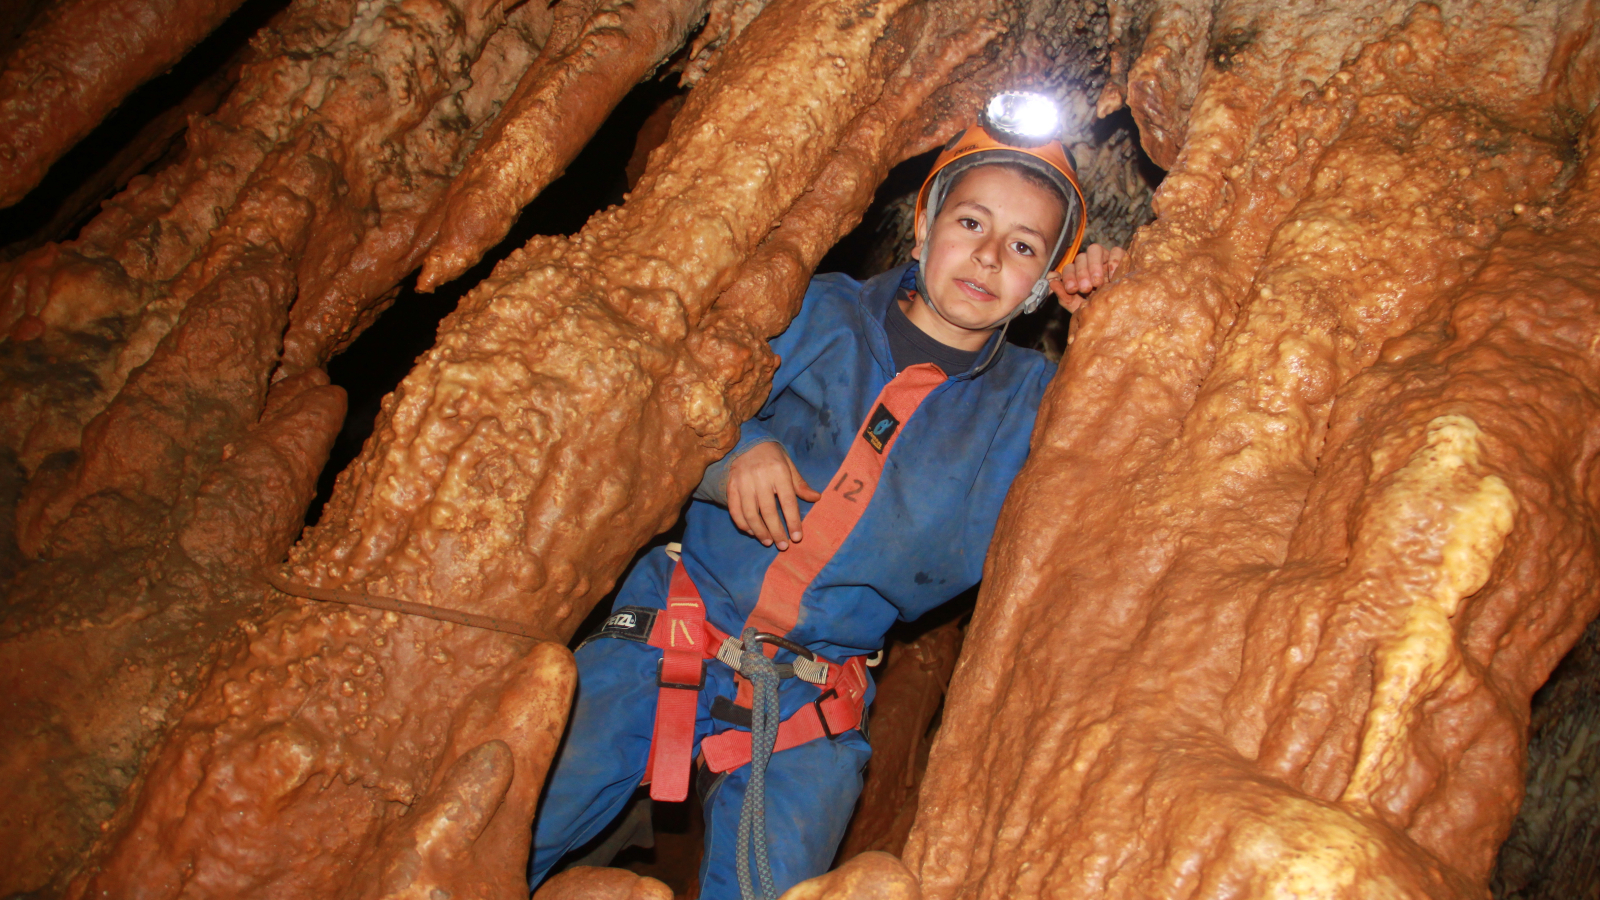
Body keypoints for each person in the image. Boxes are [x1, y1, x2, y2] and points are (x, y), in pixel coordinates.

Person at [529, 92, 1125, 900]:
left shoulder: (1034, 405)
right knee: (525, 814)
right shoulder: (816, 311)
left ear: (1040, 284)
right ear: (924, 228)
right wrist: (730, 453)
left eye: (1023, 246)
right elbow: (661, 396)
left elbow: (1122, 477)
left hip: (815, 691)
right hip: (673, 620)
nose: (988, 256)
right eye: (971, 223)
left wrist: (1122, 324)